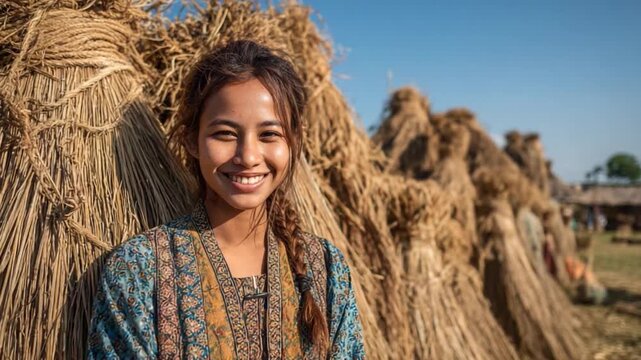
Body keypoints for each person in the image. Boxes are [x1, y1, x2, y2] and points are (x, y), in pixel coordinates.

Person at [87, 40, 365, 359]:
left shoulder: (326, 269)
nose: (248, 157)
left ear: (293, 143)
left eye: (269, 135)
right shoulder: (139, 270)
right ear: (191, 140)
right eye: (225, 134)